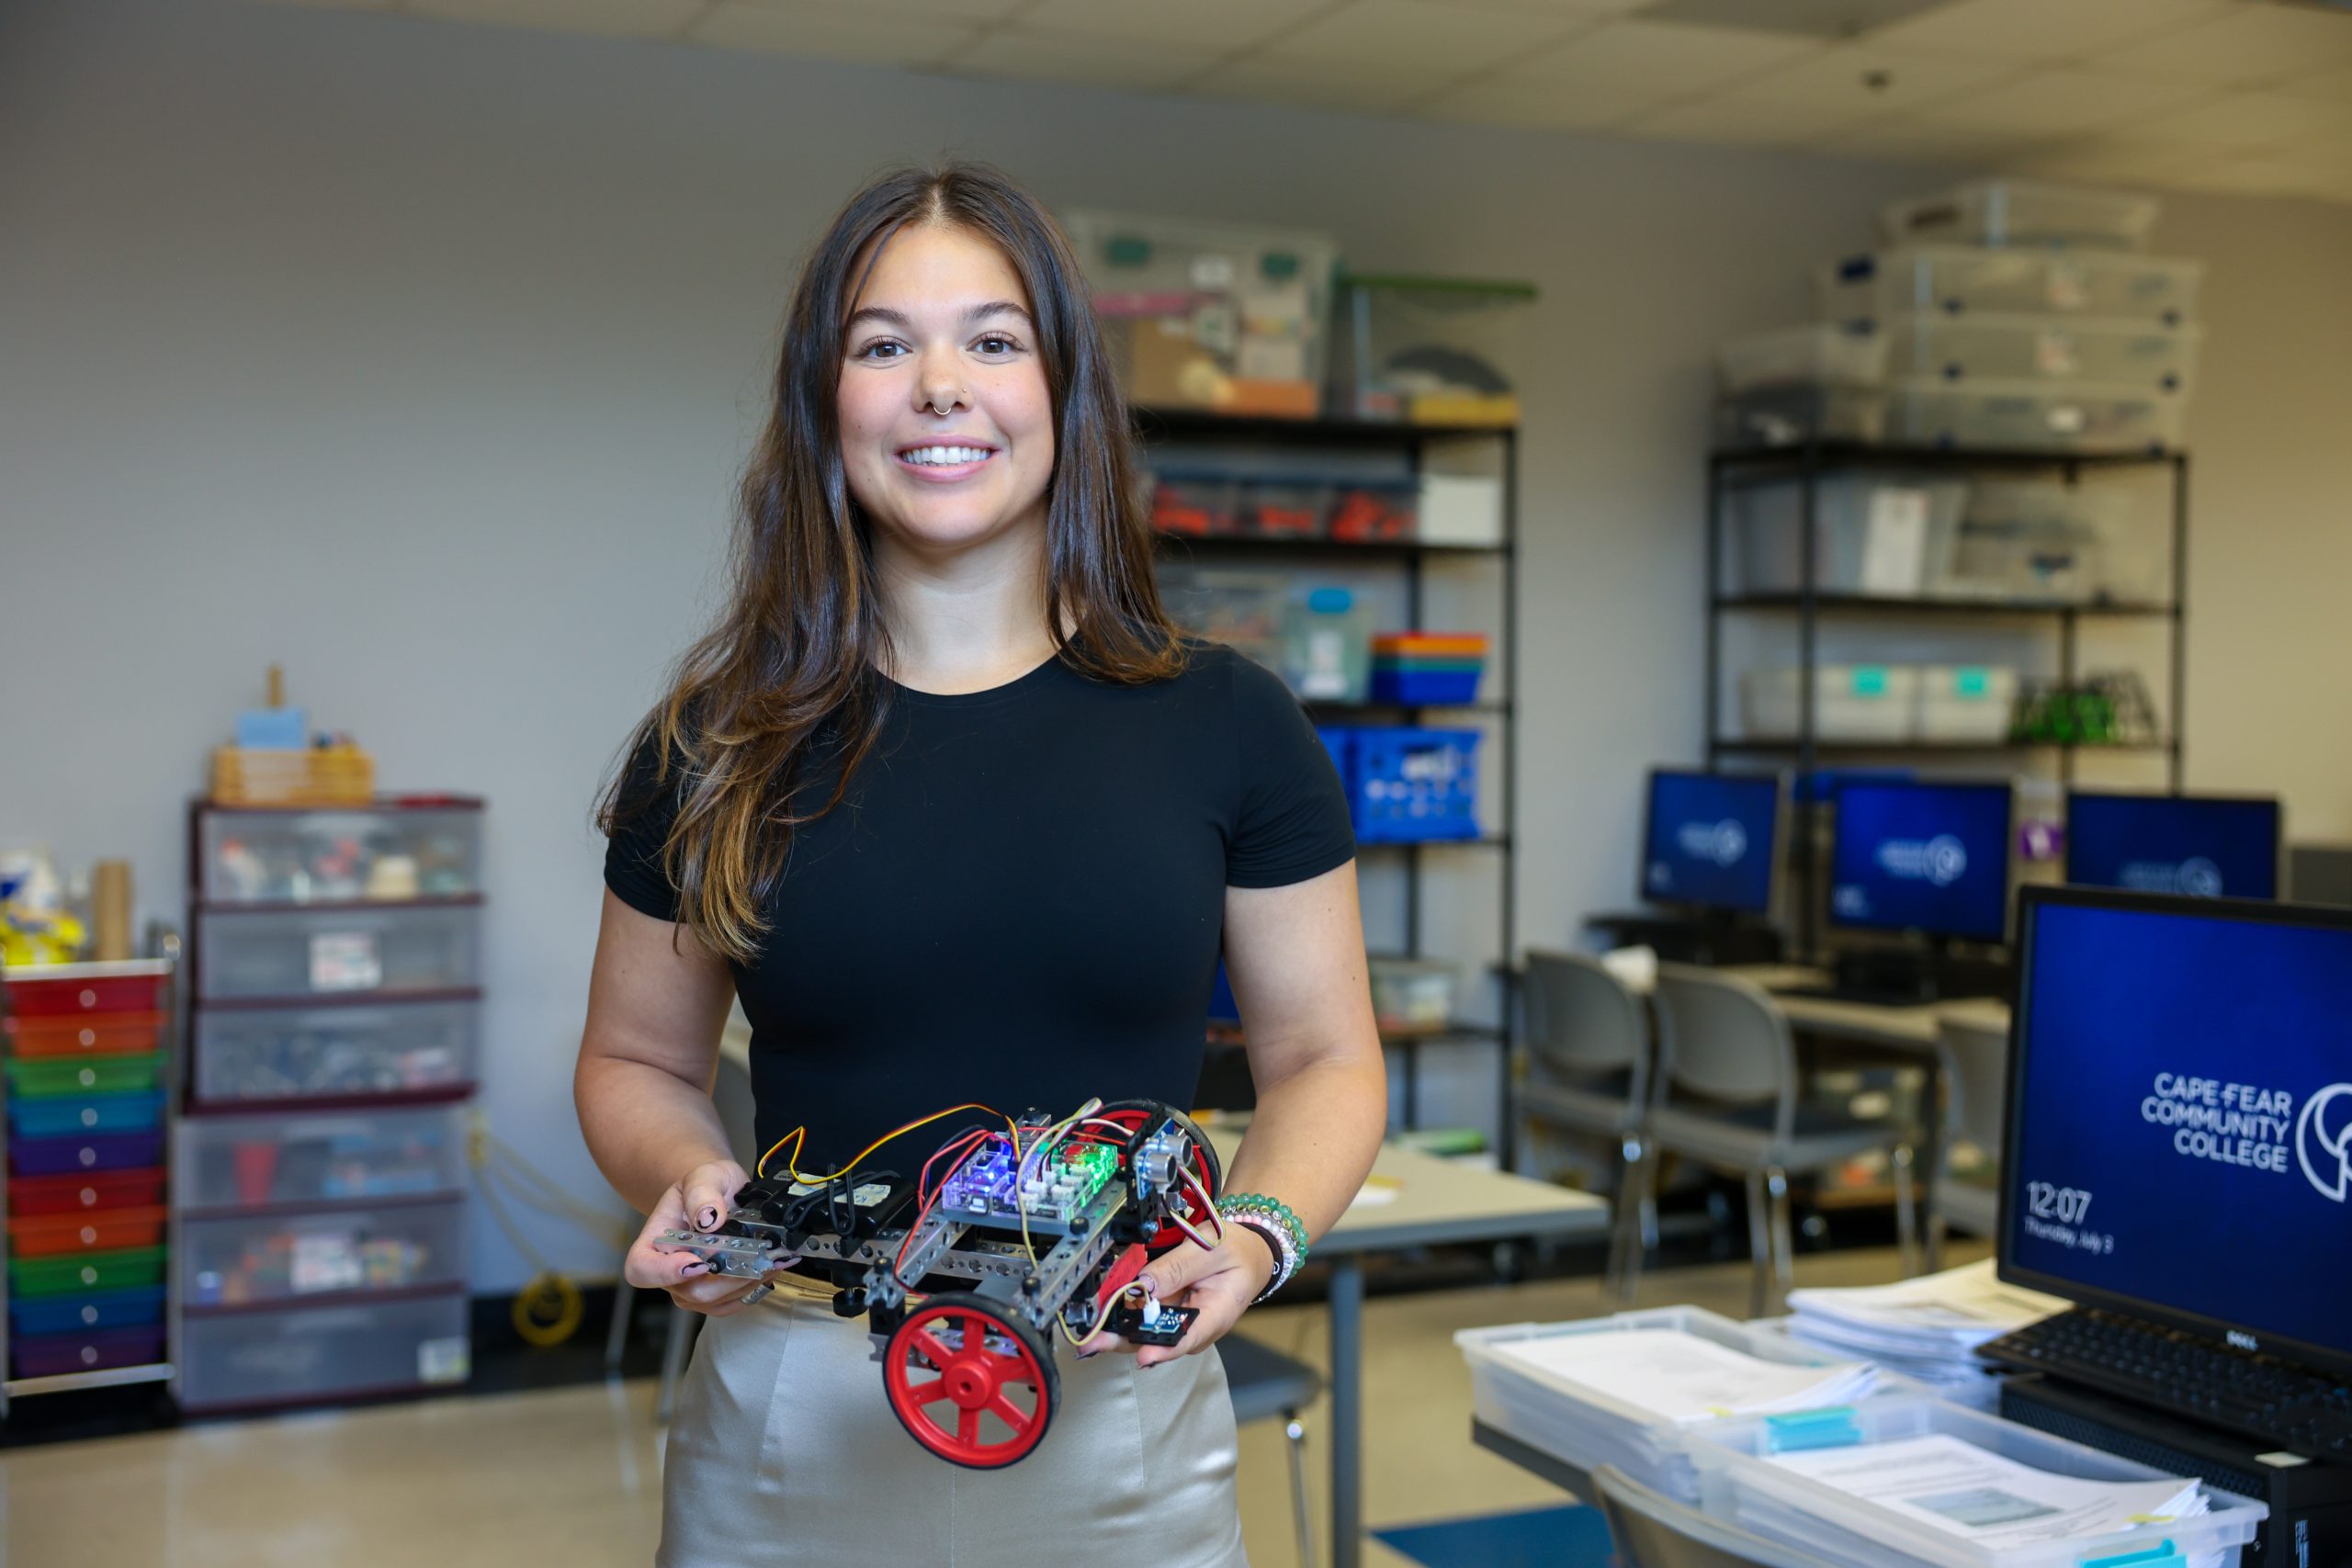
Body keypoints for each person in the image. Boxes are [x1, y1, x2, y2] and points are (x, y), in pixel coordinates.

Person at [575, 162, 1386, 1567]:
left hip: (1120, 1422)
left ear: (1064, 395)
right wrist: (688, 1172)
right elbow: (635, 1063)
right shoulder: (715, 742)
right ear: (827, 405)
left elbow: (1324, 1053)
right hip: (793, 1417)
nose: (939, 384)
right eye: (884, 344)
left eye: (993, 340)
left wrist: (1254, 1235)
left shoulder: (1229, 722)